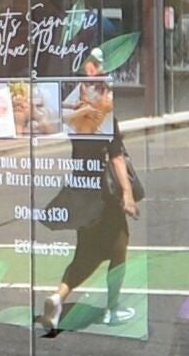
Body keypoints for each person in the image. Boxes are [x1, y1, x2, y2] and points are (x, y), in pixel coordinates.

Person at [36, 81, 140, 337]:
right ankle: (112, 309)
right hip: (105, 196)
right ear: (99, 96)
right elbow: (116, 157)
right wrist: (127, 194)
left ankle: (58, 296)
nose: (113, 96)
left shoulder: (77, 120)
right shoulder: (105, 120)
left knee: (85, 254)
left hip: (82, 194)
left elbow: (56, 122)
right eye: (109, 91)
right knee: (119, 249)